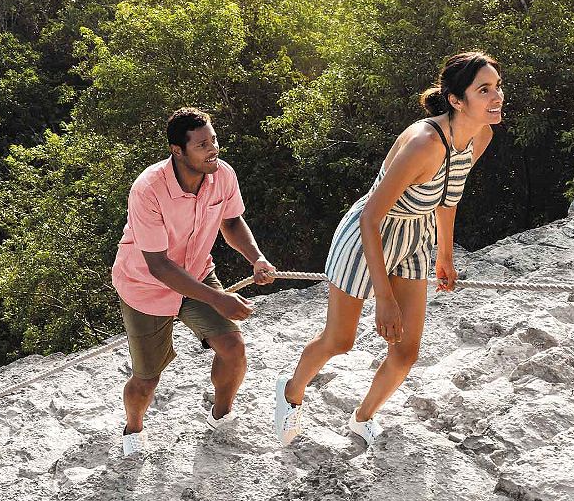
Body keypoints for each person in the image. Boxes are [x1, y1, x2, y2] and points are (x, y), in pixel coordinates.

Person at [273, 51, 503, 448]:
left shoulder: (480, 134)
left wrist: (445, 256)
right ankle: (290, 392)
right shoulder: (423, 144)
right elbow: (370, 219)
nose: (496, 96)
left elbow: (449, 197)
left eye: (497, 87)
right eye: (484, 90)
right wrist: (384, 298)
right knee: (340, 340)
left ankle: (362, 418)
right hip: (369, 237)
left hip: (417, 235)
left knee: (406, 351)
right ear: (456, 100)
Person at [111, 108, 276, 457]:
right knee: (146, 378)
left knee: (234, 349)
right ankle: (133, 428)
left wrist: (256, 257)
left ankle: (221, 414)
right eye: (202, 145)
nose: (213, 148)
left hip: (198, 272)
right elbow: (158, 266)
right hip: (146, 287)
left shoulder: (223, 175)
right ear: (178, 150)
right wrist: (218, 300)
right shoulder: (148, 190)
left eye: (214, 139)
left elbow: (232, 223)